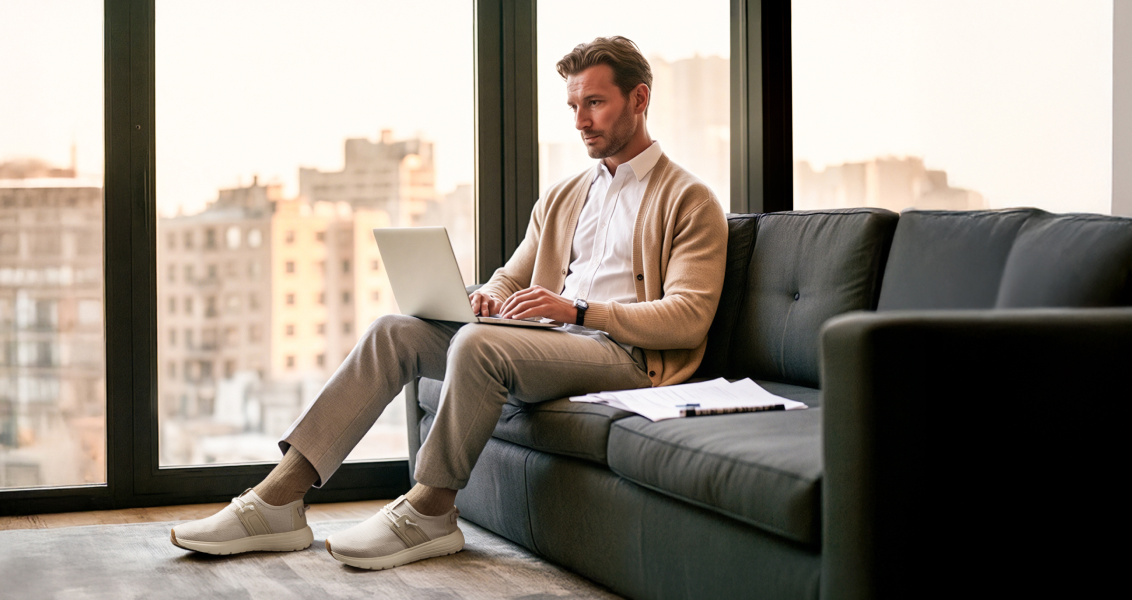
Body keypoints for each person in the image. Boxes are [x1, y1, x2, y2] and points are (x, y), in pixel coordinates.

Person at [169, 35, 728, 570]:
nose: (581, 120)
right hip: (553, 342)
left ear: (640, 99)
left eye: (595, 103)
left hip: (625, 358)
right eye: (574, 105)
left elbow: (687, 317)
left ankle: (431, 511)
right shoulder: (565, 195)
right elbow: (512, 275)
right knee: (395, 330)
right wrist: (489, 296)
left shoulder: (689, 199)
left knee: (480, 346)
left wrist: (576, 310)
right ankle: (277, 502)